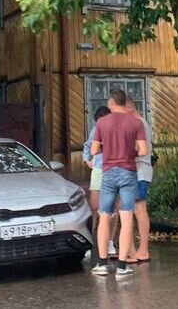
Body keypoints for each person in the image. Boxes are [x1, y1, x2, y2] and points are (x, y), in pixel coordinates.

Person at [90, 89, 147, 278]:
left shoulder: (101, 123)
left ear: (112, 103)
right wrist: (131, 151)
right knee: (126, 216)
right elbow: (143, 150)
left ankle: (102, 263)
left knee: (104, 215)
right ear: (125, 103)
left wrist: (107, 150)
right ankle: (122, 266)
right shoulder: (136, 122)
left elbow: (93, 150)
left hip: (108, 173)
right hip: (128, 172)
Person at [82, 105, 117, 258]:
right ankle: (88, 243)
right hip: (98, 169)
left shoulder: (117, 130)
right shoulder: (95, 130)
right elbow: (88, 146)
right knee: (94, 206)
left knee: (113, 208)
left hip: (114, 170)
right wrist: (86, 159)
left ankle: (110, 242)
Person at [126, 98, 153, 263]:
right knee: (128, 208)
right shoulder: (136, 122)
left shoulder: (138, 123)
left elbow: (139, 149)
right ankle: (131, 250)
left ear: (129, 107)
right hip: (134, 170)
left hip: (139, 170)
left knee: (138, 208)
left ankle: (142, 250)